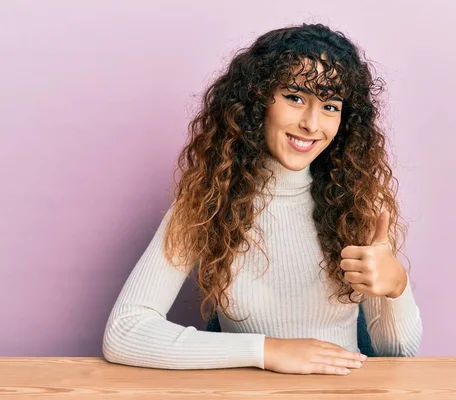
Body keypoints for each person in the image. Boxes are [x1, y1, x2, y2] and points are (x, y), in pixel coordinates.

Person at [102, 23, 423, 376]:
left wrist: (396, 286)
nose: (312, 124)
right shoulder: (207, 201)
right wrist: (267, 350)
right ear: (257, 100)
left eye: (330, 106)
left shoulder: (360, 202)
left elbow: (399, 353)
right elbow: (124, 332)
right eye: (295, 97)